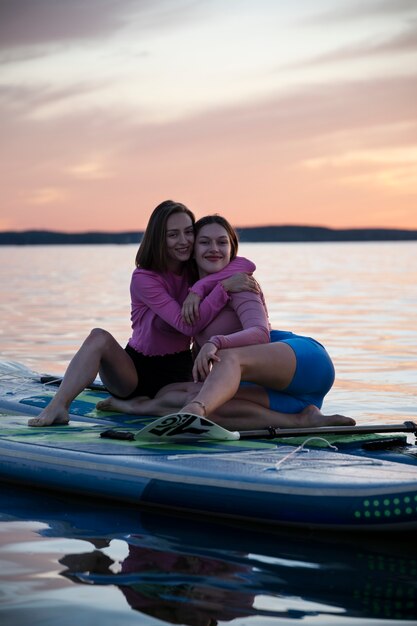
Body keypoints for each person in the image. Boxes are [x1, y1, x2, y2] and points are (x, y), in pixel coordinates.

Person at [97, 215, 354, 429]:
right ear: (193, 250)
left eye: (222, 243)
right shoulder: (192, 295)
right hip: (277, 394)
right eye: (205, 242)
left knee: (225, 364)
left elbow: (260, 333)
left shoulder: (240, 284)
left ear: (231, 249)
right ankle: (301, 420)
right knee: (177, 394)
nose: (214, 249)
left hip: (302, 364)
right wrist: (198, 291)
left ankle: (194, 412)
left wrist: (215, 343)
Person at [28, 201, 258, 427]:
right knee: (98, 336)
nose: (184, 241)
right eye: (173, 235)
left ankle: (138, 406)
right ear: (159, 238)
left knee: (208, 400)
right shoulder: (145, 278)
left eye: (188, 232)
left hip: (179, 370)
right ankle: (58, 406)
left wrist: (198, 290)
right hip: (134, 371)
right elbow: (185, 325)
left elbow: (244, 263)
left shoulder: (195, 270)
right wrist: (223, 288)